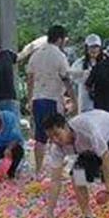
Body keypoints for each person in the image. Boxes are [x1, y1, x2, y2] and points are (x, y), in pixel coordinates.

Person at [27, 25, 74, 175]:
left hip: (37, 99)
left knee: (39, 137)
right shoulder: (59, 55)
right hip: (52, 99)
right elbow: (66, 78)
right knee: (58, 134)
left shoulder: (36, 54)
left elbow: (29, 78)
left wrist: (29, 100)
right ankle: (59, 168)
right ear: (60, 39)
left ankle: (38, 172)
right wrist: (74, 100)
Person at [70, 34, 102, 114]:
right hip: (85, 103)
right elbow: (72, 77)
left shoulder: (106, 63)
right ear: (87, 48)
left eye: (96, 47)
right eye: (91, 47)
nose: (94, 50)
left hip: (102, 103)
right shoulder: (79, 64)